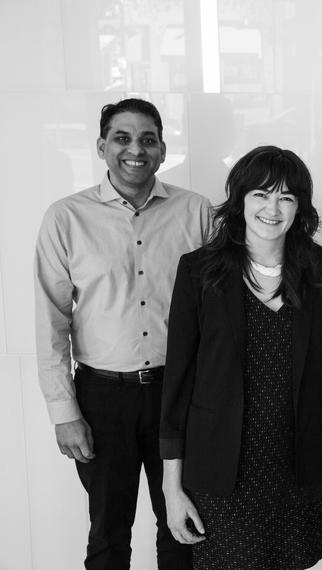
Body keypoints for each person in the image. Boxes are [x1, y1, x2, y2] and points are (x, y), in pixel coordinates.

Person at [159, 146, 322, 569]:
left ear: (299, 206)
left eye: (286, 197)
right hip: (220, 472)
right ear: (240, 200)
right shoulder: (200, 271)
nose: (272, 208)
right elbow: (178, 382)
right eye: (260, 194)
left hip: (298, 469)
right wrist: (171, 488)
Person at [33, 98, 210, 569]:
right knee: (108, 533)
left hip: (180, 395)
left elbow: (219, 315)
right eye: (123, 138)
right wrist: (63, 412)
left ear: (163, 149)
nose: (136, 150)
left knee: (184, 528)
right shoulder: (65, 218)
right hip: (102, 398)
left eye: (148, 139)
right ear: (101, 146)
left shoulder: (196, 213)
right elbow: (52, 321)